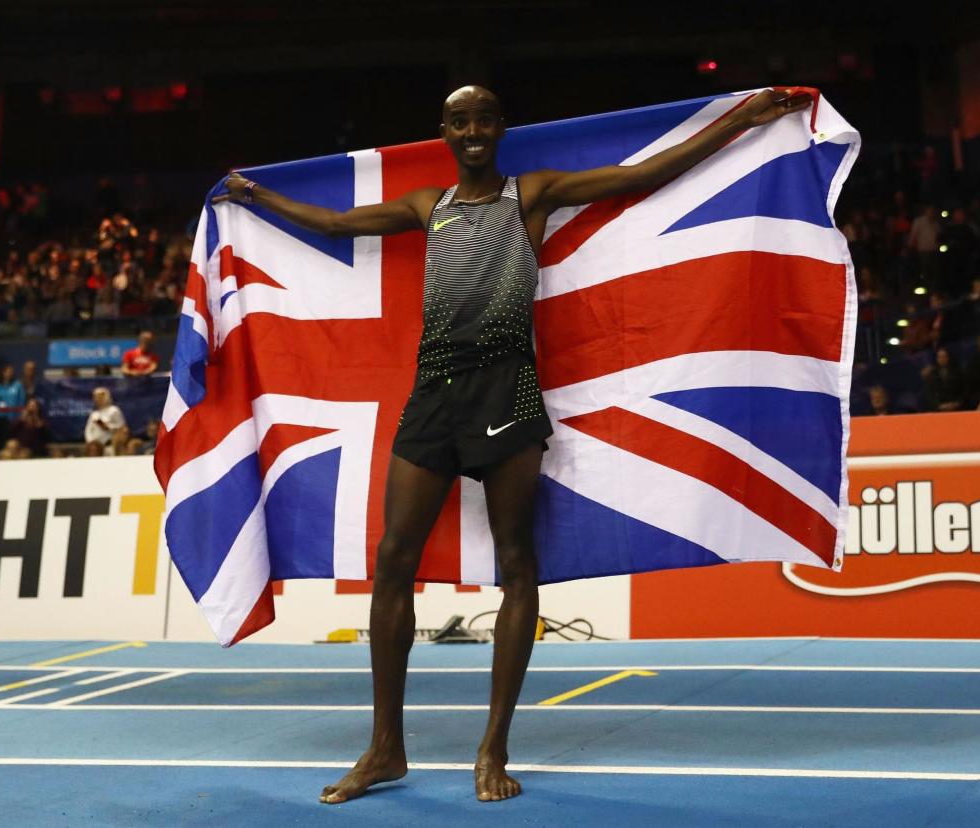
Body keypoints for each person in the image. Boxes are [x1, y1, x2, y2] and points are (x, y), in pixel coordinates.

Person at [213, 84, 811, 804]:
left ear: (500, 128)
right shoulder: (425, 207)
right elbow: (337, 224)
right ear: (444, 131)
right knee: (391, 559)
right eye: (459, 121)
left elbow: (643, 175)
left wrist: (743, 120)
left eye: (483, 119)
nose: (472, 130)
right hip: (434, 393)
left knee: (517, 563)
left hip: (507, 394)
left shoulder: (532, 194)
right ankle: (384, 749)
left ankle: (493, 747)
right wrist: (253, 199)